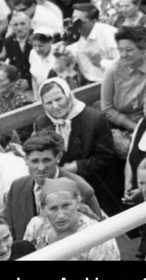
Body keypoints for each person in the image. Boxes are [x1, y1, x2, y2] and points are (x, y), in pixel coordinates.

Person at [33, 77, 118, 217]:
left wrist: (76, 166)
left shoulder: (94, 119)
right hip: (59, 192)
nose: (55, 106)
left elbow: (106, 158)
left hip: (97, 185)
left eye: (59, 99)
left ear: (68, 95)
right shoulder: (41, 124)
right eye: (48, 103)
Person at [1, 130, 102, 242]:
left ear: (58, 157)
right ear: (25, 160)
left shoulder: (81, 189)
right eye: (35, 161)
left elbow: (99, 233)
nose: (41, 167)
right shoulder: (17, 187)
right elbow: (7, 231)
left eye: (46, 160)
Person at [101, 25, 146, 166]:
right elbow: (107, 108)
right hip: (125, 125)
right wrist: (135, 128)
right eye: (120, 50)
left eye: (129, 50)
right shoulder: (112, 70)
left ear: (144, 47)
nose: (123, 55)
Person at [23, 177, 120, 260]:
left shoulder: (98, 237)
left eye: (66, 206)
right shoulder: (36, 226)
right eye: (53, 208)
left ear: (78, 202)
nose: (60, 215)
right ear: (43, 209)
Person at [66, 3, 119, 84]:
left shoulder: (109, 35)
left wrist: (101, 63)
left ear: (93, 21)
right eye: (73, 20)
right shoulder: (73, 36)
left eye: (80, 22)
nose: (75, 25)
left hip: (112, 83)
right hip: (89, 84)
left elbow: (125, 66)